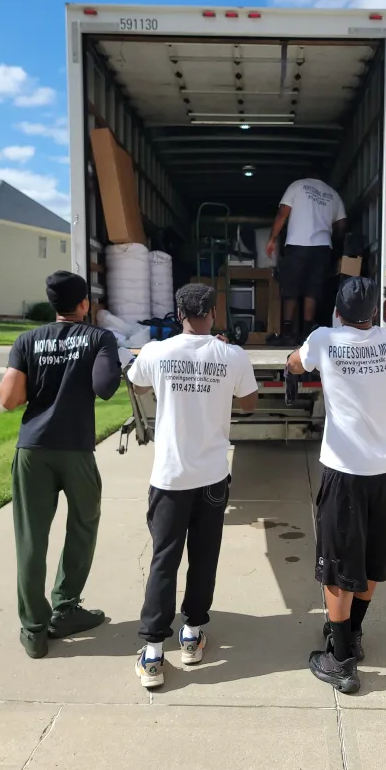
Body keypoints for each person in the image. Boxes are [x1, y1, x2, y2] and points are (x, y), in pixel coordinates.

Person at [128, 283, 258, 689]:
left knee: (164, 559)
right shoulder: (231, 355)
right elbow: (249, 402)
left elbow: (137, 384)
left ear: (179, 314)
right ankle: (191, 633)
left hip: (170, 478)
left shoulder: (156, 352)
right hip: (212, 478)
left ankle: (153, 652)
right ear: (213, 313)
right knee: (204, 557)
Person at [287, 277, 386, 694]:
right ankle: (353, 634)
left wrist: (294, 360)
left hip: (345, 471)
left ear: (338, 313)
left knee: (337, 566)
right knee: (374, 558)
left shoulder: (323, 339)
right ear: (374, 313)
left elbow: (296, 364)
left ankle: (340, 661)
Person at [0, 271, 121, 659]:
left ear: (53, 304)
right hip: (75, 449)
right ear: (84, 304)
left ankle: (34, 630)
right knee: (83, 525)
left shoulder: (27, 340)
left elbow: (8, 399)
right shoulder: (98, 338)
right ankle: (65, 609)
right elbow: (105, 388)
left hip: (32, 449)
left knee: (31, 539)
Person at [266, 172, 347, 345]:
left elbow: (282, 213)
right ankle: (307, 336)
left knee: (291, 290)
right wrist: (337, 251)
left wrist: (272, 239)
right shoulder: (333, 194)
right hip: (323, 248)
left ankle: (287, 335)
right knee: (312, 291)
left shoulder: (297, 186)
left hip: (298, 244)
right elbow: (341, 226)